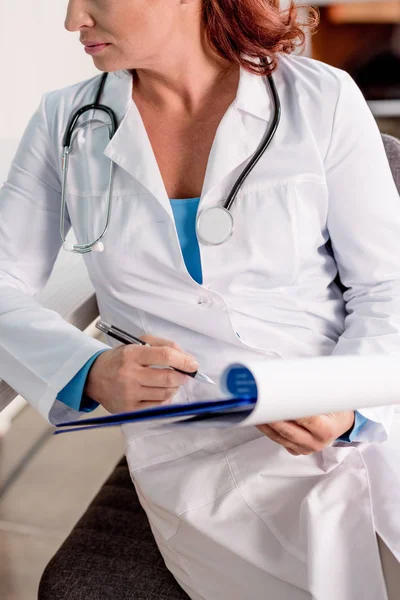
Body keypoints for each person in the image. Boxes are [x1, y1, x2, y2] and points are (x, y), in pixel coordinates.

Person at [1, 0, 400, 598]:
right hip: (202, 454)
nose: (72, 20)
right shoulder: (68, 122)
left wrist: (347, 402)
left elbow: (387, 285)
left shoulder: (322, 98)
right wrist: (88, 370)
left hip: (353, 401)